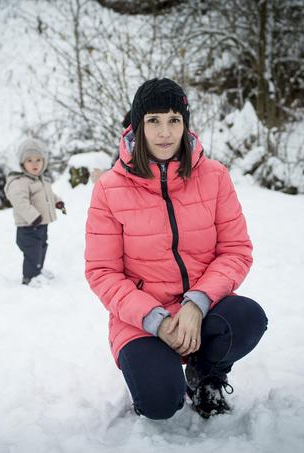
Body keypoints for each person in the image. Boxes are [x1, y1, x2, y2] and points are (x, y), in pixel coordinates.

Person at [85, 78, 268, 420]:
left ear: (185, 124)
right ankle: (160, 375)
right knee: (160, 404)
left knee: (248, 317)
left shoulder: (214, 176)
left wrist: (197, 303)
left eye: (174, 120)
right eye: (153, 121)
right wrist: (155, 320)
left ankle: (205, 375)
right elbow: (102, 272)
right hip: (140, 320)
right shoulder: (109, 189)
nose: (165, 132)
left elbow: (236, 250)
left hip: (204, 308)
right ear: (137, 126)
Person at [5, 138, 65, 285]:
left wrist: (57, 201)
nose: (35, 164)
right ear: (22, 163)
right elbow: (20, 202)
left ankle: (38, 270)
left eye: (38, 159)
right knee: (32, 252)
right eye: (29, 160)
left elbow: (48, 195)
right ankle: (29, 277)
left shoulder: (40, 180)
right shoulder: (20, 181)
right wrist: (33, 216)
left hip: (41, 224)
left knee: (42, 247)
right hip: (28, 226)